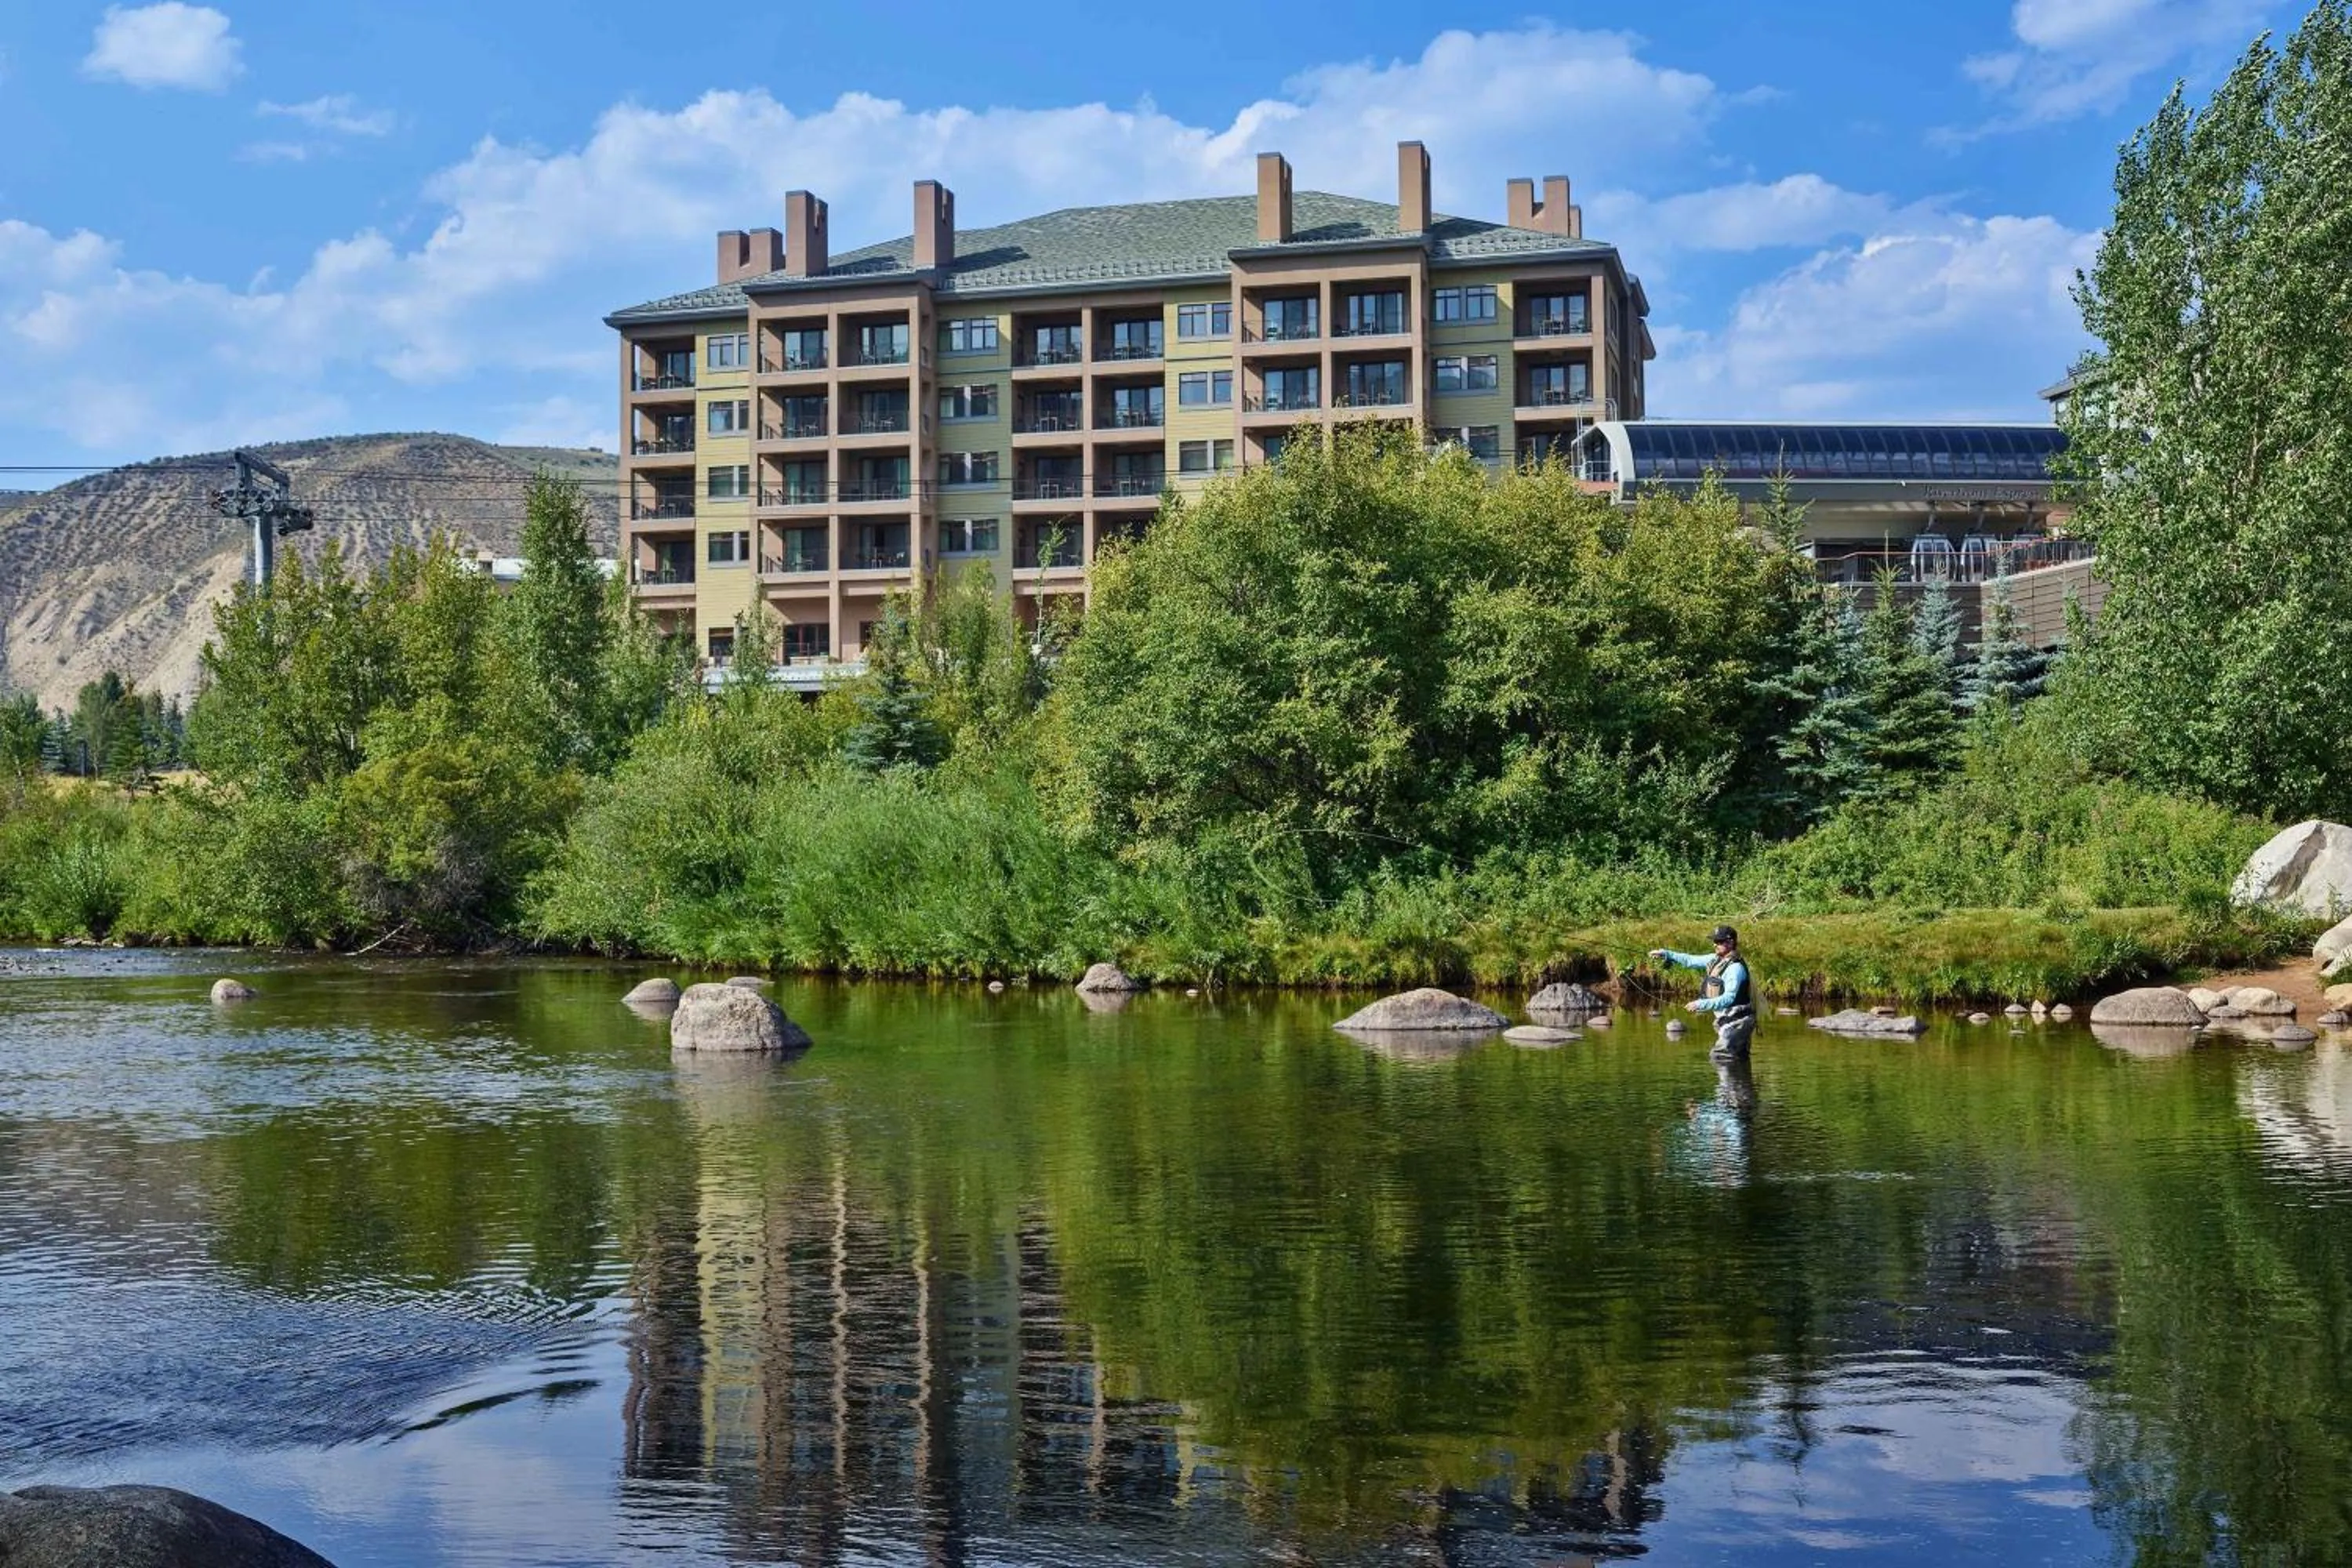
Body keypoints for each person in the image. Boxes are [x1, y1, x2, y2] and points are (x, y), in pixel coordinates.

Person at [1648, 925, 1756, 1057]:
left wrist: (1700, 1004)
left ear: (1731, 942)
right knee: (1734, 1060)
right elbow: (1690, 960)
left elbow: (1729, 998)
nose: (1715, 945)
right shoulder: (1715, 959)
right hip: (1728, 1020)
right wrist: (1667, 954)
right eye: (1714, 941)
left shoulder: (1735, 969)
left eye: (1719, 942)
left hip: (1738, 1022)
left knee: (1721, 1058)